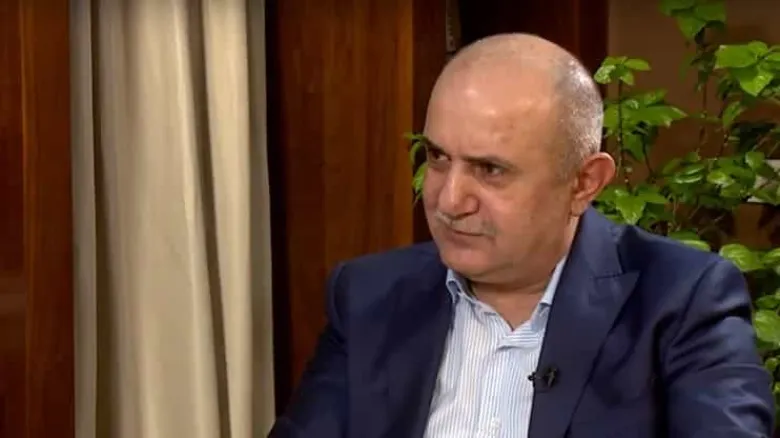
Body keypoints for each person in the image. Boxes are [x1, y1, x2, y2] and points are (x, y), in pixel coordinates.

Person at [268, 33, 774, 437]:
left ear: (584, 183)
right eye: (438, 157)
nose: (449, 200)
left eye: (490, 170)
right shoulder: (369, 297)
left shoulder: (681, 301)